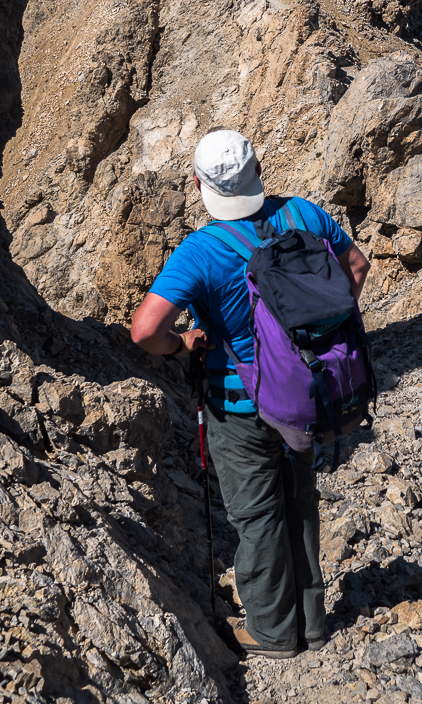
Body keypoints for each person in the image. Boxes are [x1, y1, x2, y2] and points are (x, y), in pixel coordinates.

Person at [130, 129, 370, 659]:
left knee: (257, 515)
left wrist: (184, 342)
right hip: (306, 395)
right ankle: (311, 623)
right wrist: (319, 336)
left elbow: (145, 330)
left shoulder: (202, 251)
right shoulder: (305, 215)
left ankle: (272, 631)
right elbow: (357, 267)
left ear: (199, 184)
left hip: (239, 408)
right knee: (299, 503)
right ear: (258, 166)